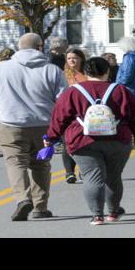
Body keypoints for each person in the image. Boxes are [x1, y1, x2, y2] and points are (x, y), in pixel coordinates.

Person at [46, 55, 135, 225]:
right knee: (113, 176)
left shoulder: (72, 91)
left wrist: (51, 137)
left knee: (92, 177)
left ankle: (97, 215)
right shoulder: (121, 91)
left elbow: (59, 117)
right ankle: (113, 212)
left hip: (82, 140)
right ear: (108, 71)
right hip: (117, 139)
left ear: (85, 72)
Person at [0, 32, 66, 221]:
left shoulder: (1, 69)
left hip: (10, 123)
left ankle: (22, 198)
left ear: (19, 47)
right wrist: (59, 124)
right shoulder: (52, 70)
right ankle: (40, 207)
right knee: (41, 164)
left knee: (16, 162)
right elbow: (62, 99)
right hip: (44, 124)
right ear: (40, 47)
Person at [58, 48, 87, 184]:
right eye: (69, 58)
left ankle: (84, 171)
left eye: (74, 58)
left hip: (85, 113)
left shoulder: (87, 74)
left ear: (81, 59)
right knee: (67, 142)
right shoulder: (62, 75)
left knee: (84, 142)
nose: (72, 61)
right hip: (67, 113)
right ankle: (69, 172)